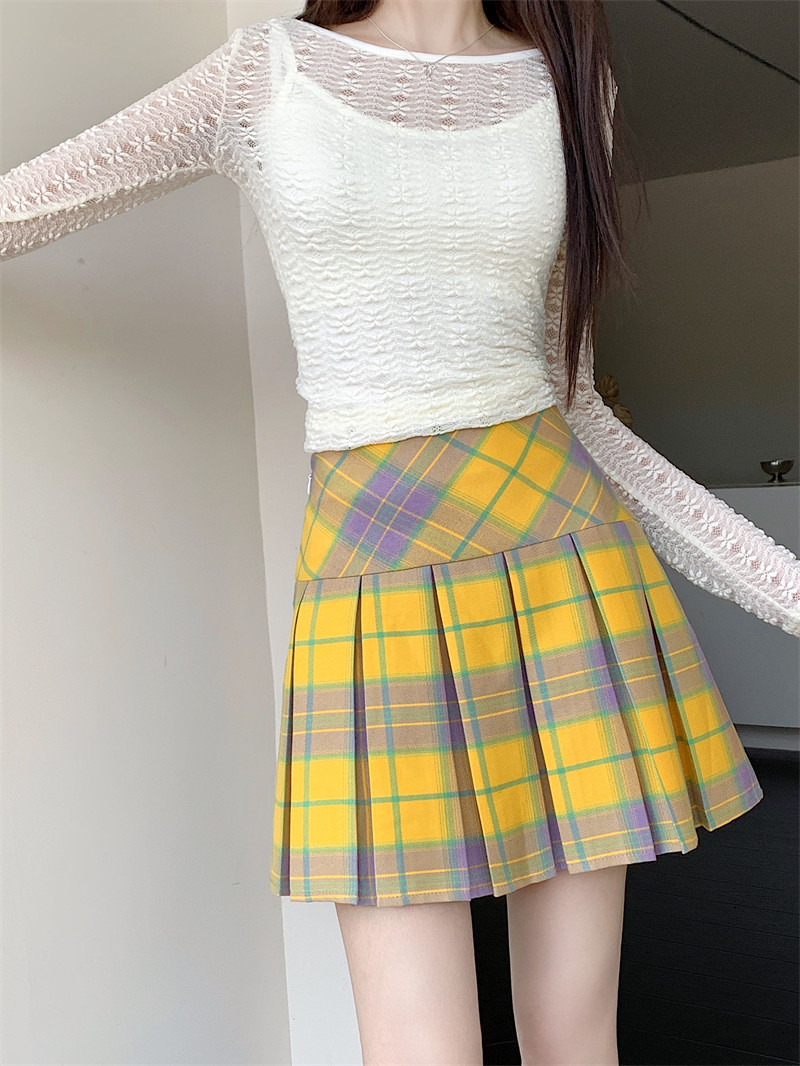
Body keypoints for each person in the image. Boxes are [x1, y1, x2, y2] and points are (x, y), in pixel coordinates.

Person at [2, 1, 799, 1063]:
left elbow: (574, 408)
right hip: (373, 583)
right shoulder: (263, 73)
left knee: (574, 1040)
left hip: (564, 572)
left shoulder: (570, 86)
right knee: (420, 1046)